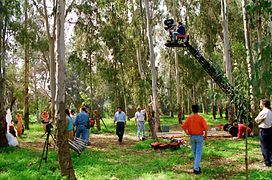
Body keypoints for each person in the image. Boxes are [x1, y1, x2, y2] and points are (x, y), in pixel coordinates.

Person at [181, 105, 208, 174]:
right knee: (198, 152)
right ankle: (196, 169)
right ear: (198, 110)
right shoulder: (201, 118)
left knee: (195, 152)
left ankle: (197, 166)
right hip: (199, 137)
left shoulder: (189, 118)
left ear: (192, 110)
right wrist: (205, 135)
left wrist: (187, 133)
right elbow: (205, 128)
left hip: (192, 137)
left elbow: (183, 126)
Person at [255, 99, 272, 167]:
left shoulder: (264, 111)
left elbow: (256, 120)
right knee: (270, 146)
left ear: (263, 104)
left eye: (260, 103)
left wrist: (260, 120)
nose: (260, 104)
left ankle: (267, 162)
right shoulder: (270, 111)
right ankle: (270, 160)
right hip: (270, 129)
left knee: (264, 146)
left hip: (264, 130)